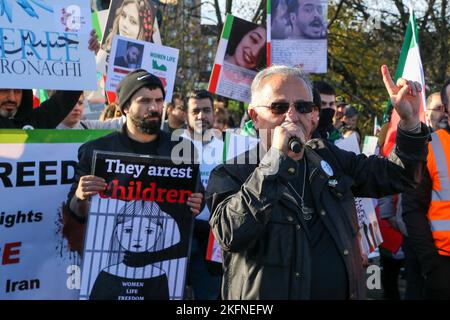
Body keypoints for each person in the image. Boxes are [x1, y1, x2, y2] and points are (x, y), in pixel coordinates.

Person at [206, 65, 430, 300]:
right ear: (255, 116)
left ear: (313, 116)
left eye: (302, 107)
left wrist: (410, 122)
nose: (291, 116)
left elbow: (399, 175)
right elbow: (230, 233)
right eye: (279, 107)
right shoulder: (230, 174)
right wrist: (275, 162)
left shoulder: (329, 157)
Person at [66, 69, 203, 235]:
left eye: (159, 101)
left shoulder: (182, 150)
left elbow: (197, 198)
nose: (154, 107)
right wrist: (80, 196)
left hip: (164, 247)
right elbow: (75, 212)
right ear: (125, 107)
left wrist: (197, 203)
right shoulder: (95, 150)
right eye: (144, 101)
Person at [402, 80, 450, 299]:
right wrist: (432, 265)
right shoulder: (431, 145)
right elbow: (412, 209)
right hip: (443, 263)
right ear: (446, 109)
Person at [0, 30, 100, 129]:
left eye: (18, 91)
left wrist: (86, 55)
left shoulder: (35, 121)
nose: (12, 98)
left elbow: (65, 98)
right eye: (4, 90)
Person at [182, 89, 224, 300]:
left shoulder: (227, 148)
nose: (201, 116)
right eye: (195, 111)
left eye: (206, 110)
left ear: (213, 113)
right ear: (185, 115)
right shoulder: (171, 145)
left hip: (212, 236)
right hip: (179, 232)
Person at [90, 200, 178, 300]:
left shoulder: (160, 275)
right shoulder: (106, 273)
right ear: (116, 231)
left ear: (159, 233)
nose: (138, 238)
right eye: (128, 230)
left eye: (149, 231)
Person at [56, 94, 125, 130]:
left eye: (80, 103)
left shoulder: (88, 126)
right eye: (71, 103)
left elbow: (118, 124)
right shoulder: (48, 130)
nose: (77, 108)